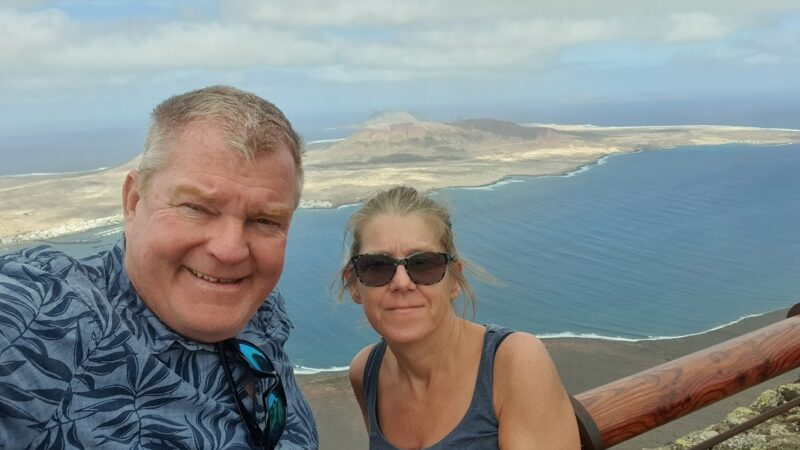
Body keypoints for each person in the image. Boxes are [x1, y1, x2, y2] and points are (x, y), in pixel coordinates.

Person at [0, 86, 318, 449]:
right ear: (134, 201)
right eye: (197, 208)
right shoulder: (50, 317)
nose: (230, 251)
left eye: (264, 220)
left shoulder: (260, 312)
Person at [339, 185, 580, 449]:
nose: (401, 282)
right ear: (354, 284)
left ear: (454, 279)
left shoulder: (513, 364)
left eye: (423, 264)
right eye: (376, 266)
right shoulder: (367, 372)